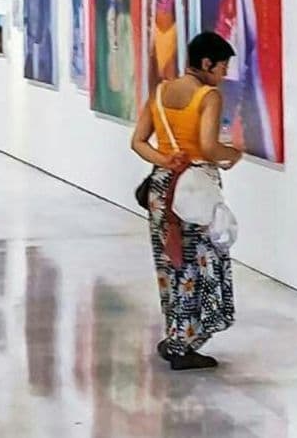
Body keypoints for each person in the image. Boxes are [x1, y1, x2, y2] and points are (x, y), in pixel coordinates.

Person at [130, 31, 243, 371]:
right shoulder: (209, 96)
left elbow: (138, 142)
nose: (223, 75)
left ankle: (176, 336)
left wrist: (165, 160)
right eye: (222, 67)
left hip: (162, 189)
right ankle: (187, 343)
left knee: (172, 262)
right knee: (205, 263)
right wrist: (232, 154)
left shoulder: (161, 91)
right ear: (207, 63)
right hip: (194, 189)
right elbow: (208, 147)